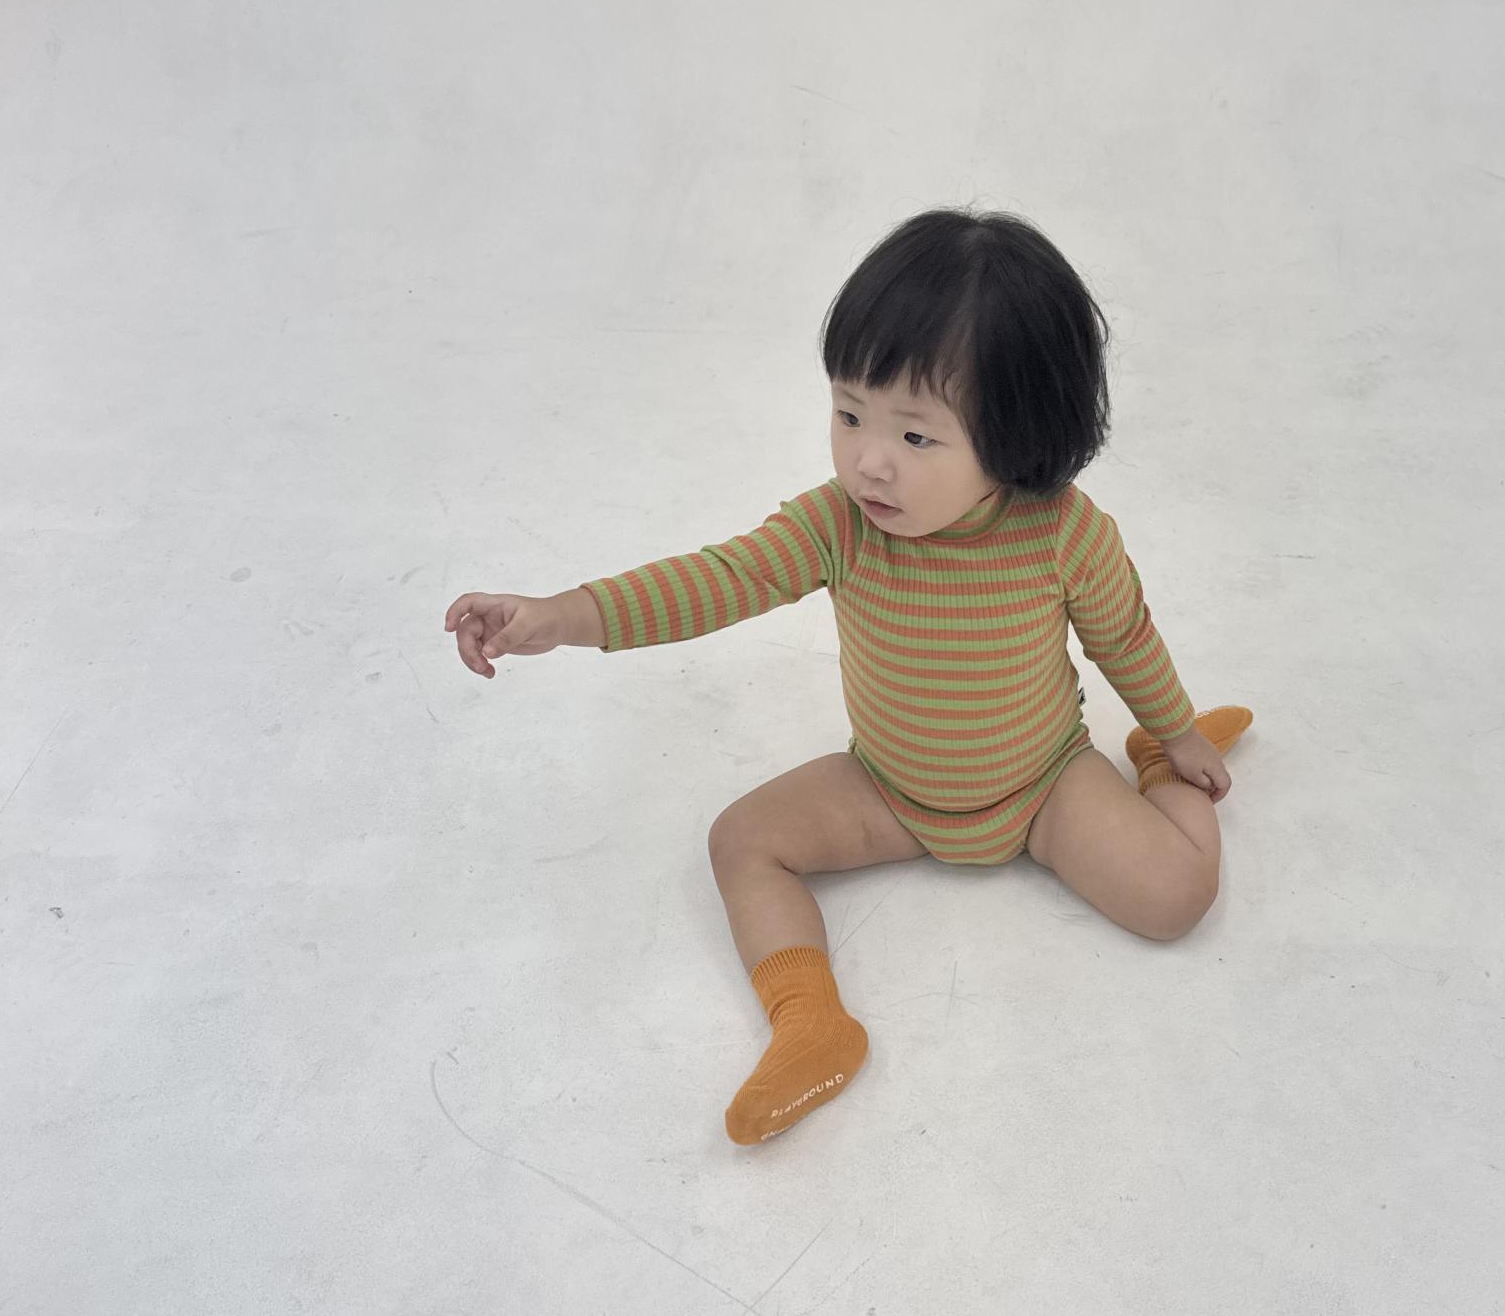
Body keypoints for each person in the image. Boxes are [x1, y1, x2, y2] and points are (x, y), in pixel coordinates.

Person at [444, 206, 1252, 1146]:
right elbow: (716, 580)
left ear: (1018, 433)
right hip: (889, 790)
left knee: (1176, 898)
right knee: (741, 838)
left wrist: (1178, 731)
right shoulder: (836, 525)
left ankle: (1153, 768)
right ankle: (809, 1020)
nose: (869, 461)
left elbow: (1125, 638)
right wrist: (561, 616)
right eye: (849, 413)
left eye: (917, 438)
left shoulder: (1065, 534)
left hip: (1045, 786)